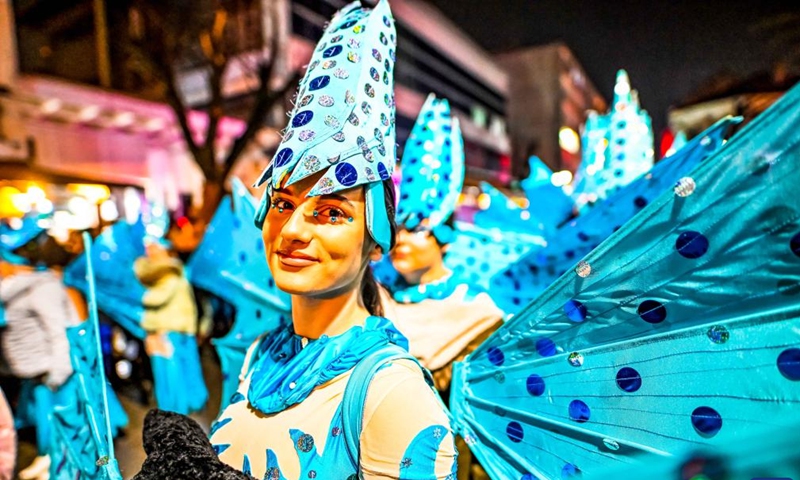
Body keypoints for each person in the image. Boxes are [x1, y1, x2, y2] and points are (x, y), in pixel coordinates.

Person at [134, 1, 457, 479]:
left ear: (376, 241)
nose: (293, 230)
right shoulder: (258, 354)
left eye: (330, 212)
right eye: (283, 204)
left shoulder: (393, 396)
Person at [378, 95, 503, 480]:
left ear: (444, 239)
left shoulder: (476, 312)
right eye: (398, 228)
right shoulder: (373, 300)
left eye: (417, 230)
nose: (401, 240)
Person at [0, 227, 78, 480]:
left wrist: (59, 373)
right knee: (46, 430)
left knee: (63, 431)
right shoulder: (11, 293)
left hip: (53, 376)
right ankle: (49, 460)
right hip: (35, 376)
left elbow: (59, 332)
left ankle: (57, 465)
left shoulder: (42, 288)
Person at [134, 236, 208, 415]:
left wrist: (136, 294)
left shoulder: (171, 275)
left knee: (172, 371)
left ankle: (178, 407)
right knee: (178, 369)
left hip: (171, 331)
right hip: (173, 330)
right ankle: (185, 403)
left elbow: (156, 298)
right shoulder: (172, 273)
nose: (151, 252)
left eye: (155, 248)